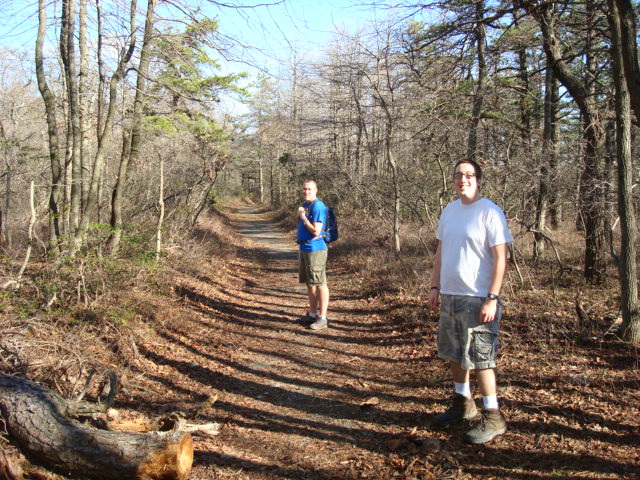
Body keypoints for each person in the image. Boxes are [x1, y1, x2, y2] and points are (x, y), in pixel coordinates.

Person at [428, 159, 513, 444]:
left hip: (479, 297)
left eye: (469, 175)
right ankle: (463, 404)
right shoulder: (450, 211)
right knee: (454, 354)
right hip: (451, 294)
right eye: (458, 175)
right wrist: (435, 285)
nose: (463, 179)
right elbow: (441, 251)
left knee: (481, 358)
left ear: (478, 180)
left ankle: (493, 416)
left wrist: (492, 297)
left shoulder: (490, 212)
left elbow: (501, 258)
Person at [297, 179, 330, 330]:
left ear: (316, 190)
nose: (306, 192)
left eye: (309, 189)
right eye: (304, 189)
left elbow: (316, 230)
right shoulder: (305, 205)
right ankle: (312, 315)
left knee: (320, 283)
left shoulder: (318, 206)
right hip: (305, 248)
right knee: (310, 284)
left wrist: (303, 218)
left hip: (316, 249)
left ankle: (322, 317)